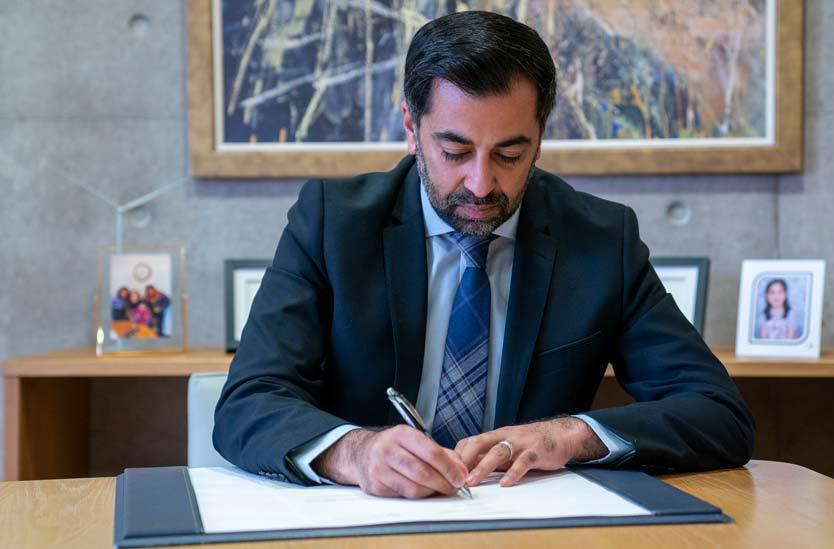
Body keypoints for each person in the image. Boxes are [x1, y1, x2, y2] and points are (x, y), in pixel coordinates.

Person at [214, 11, 754, 499]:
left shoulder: (601, 239)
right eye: (454, 151)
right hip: (364, 521)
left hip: (528, 525)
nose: (480, 183)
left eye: (510, 154)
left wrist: (570, 435)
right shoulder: (333, 223)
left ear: (540, 140)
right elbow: (249, 400)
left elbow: (718, 413)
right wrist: (354, 452)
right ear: (411, 129)